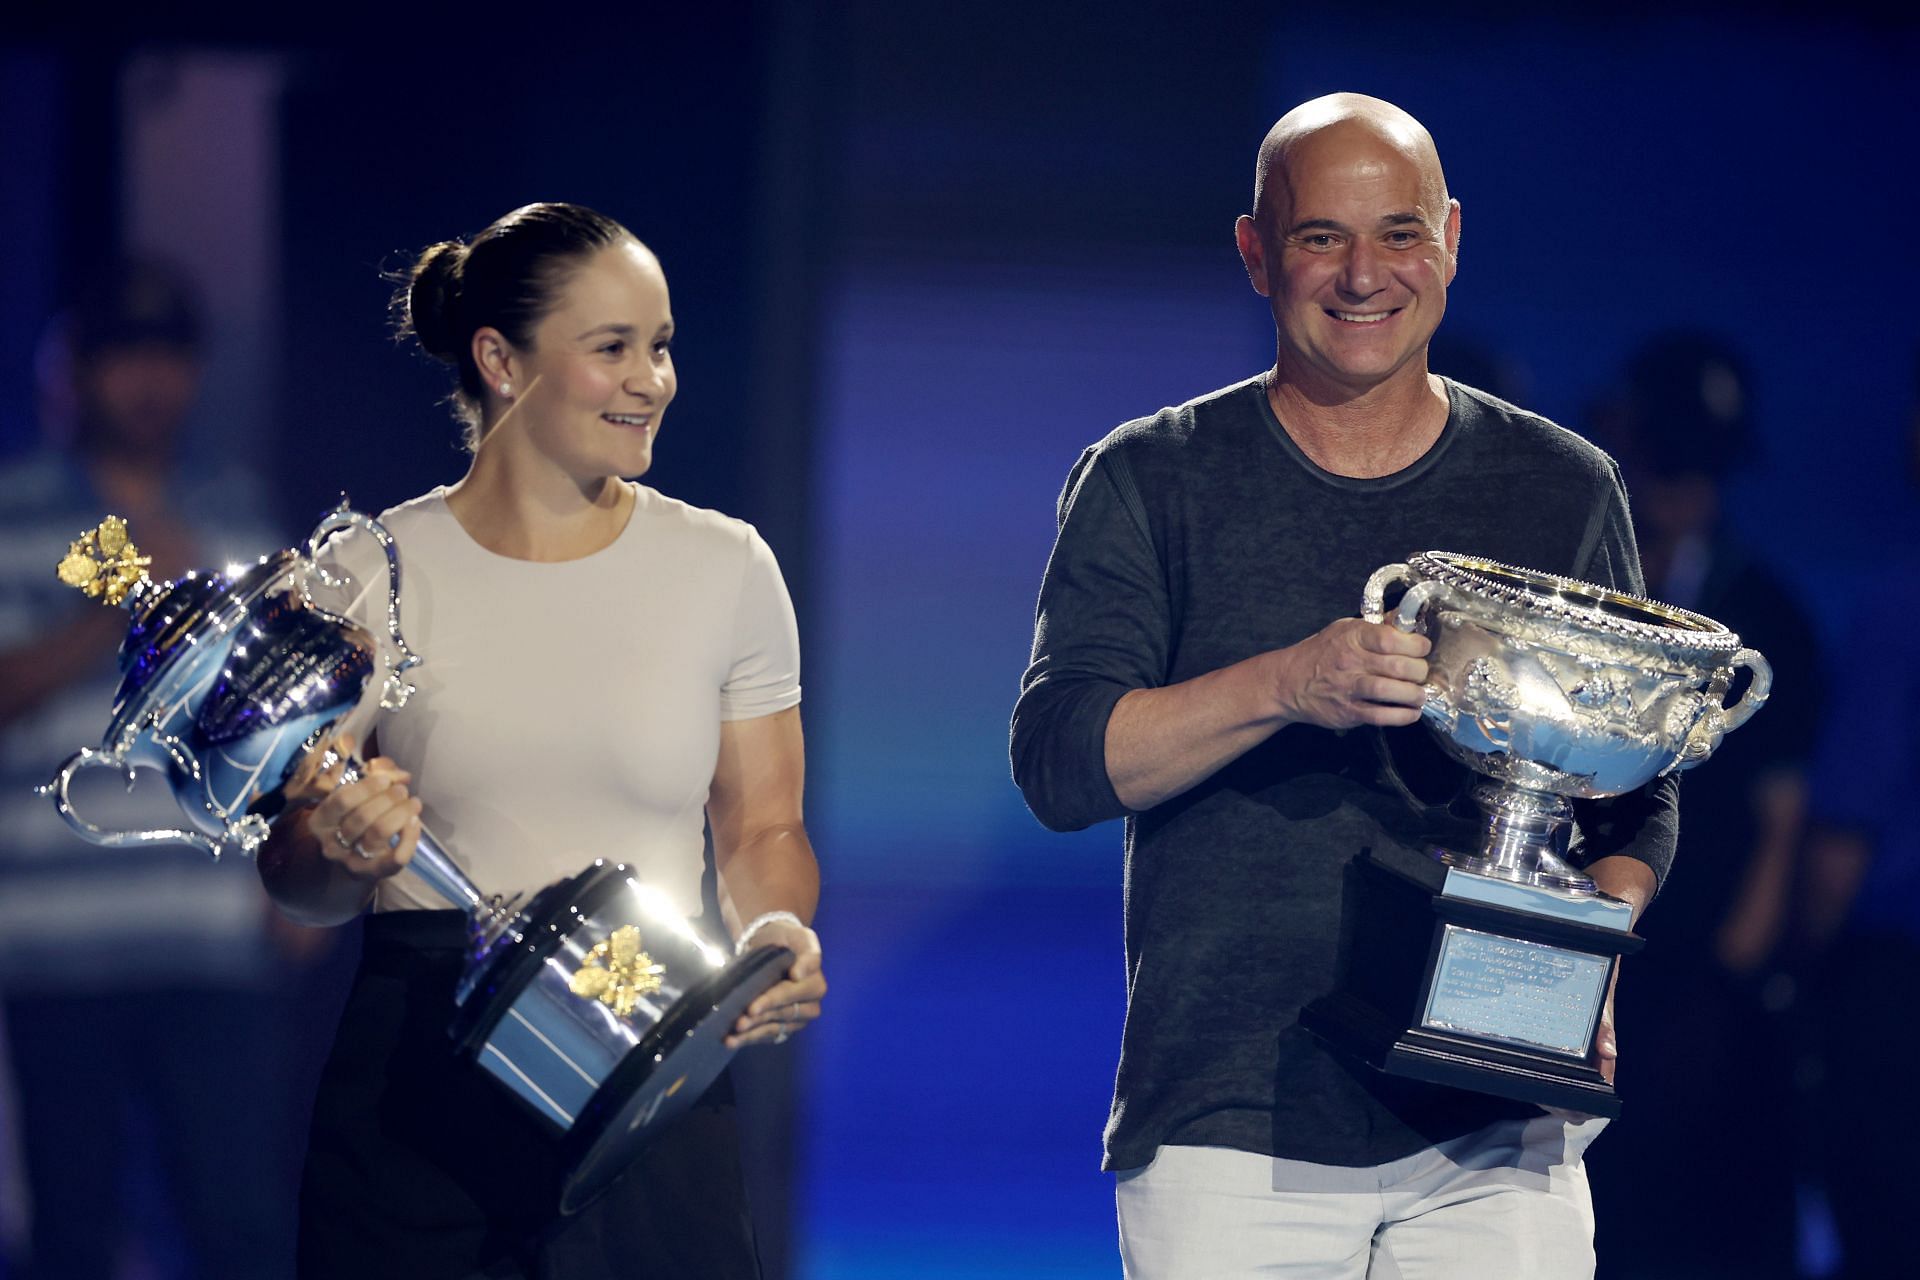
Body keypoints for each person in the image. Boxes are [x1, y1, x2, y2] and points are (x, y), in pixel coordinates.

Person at [1010, 94, 1677, 1278]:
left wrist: (1590, 949)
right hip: (1232, 1118)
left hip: (1495, 1124)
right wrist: (1286, 682)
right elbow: (1064, 763)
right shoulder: (1151, 477)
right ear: (1255, 250)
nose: (1365, 274)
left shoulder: (1561, 485)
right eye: (1322, 236)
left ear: (1453, 238)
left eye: (1401, 234)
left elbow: (1635, 795)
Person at [254, 202, 828, 1280]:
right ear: (500, 360)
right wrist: (337, 848)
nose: (651, 378)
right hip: (419, 1073)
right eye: (612, 347)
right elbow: (294, 876)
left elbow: (764, 823)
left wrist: (778, 928)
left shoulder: (726, 566)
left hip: (646, 1033)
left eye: (659, 346)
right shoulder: (367, 569)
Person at [0, 259, 304, 1279]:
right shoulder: (18, 514)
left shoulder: (239, 517)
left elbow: (293, 718)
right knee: (72, 1231)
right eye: (122, 355)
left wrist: (304, 889)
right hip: (54, 944)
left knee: (238, 1223)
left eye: (168, 355)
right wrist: (118, 605)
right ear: (71, 372)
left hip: (209, 937)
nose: (147, 381)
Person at [1581, 334, 1822, 1279]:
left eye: (1699, 463)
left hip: (1699, 993)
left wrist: (1724, 980)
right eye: (1665, 455)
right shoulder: (1579, 591)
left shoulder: (1766, 615)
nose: (1679, 486)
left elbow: (1783, 818)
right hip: (1585, 956)